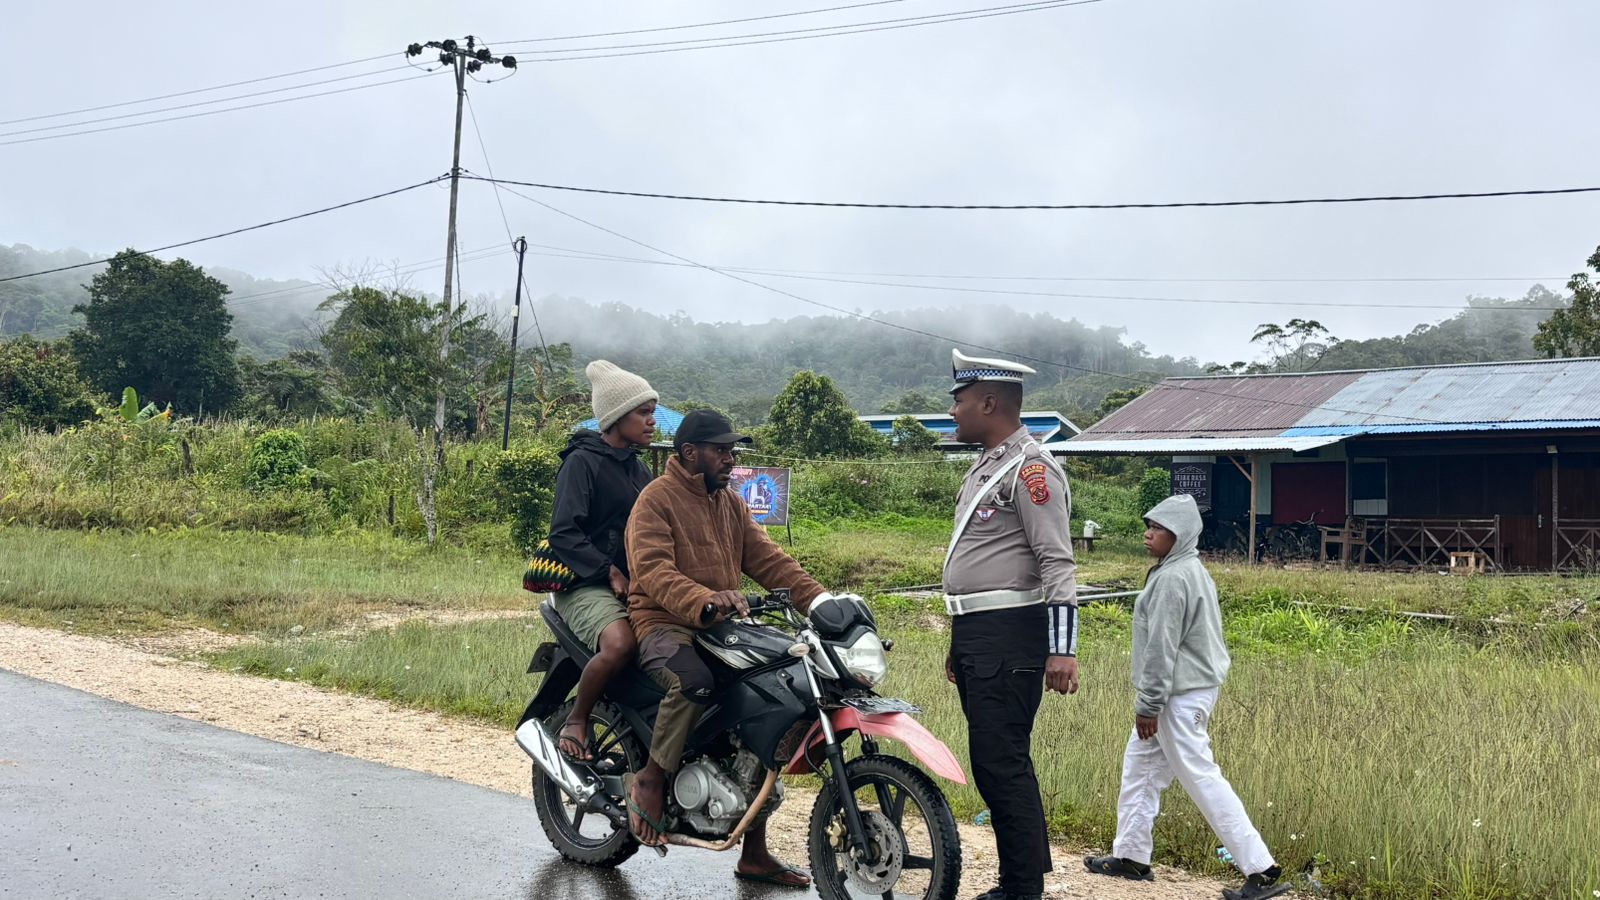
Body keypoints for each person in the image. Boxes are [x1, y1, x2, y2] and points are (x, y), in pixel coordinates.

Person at [623, 409, 833, 888]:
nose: (730, 458)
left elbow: (770, 561)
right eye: (721, 450)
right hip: (664, 624)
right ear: (689, 453)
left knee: (770, 695)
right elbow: (653, 571)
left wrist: (823, 602)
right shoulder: (655, 500)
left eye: (732, 450)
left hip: (721, 625)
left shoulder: (731, 503)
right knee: (693, 683)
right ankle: (651, 778)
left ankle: (754, 855)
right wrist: (704, 599)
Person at [1084, 495, 1289, 900]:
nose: (1148, 534)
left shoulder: (1173, 579)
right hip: (1187, 690)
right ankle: (1131, 856)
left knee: (1200, 775)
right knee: (1140, 767)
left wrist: (1149, 704)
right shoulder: (1188, 569)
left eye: (1158, 528)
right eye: (1149, 525)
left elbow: (1162, 649)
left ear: (1179, 535)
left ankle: (1261, 869)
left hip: (1177, 696)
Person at [942, 349, 1080, 900]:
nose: (952, 411)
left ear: (988, 402)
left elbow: (1057, 561)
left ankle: (1022, 888)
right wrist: (958, 640)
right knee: (996, 762)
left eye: (959, 400)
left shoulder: (1031, 469)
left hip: (1009, 634)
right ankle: (1021, 879)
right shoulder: (988, 465)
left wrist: (1063, 649)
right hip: (980, 635)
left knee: (1001, 763)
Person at [545, 361, 658, 762]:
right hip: (583, 583)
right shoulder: (581, 462)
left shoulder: (638, 469)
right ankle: (578, 719)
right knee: (620, 643)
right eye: (643, 412)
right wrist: (607, 572)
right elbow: (563, 532)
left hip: (631, 582)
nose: (652, 421)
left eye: (652, 412)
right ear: (616, 416)